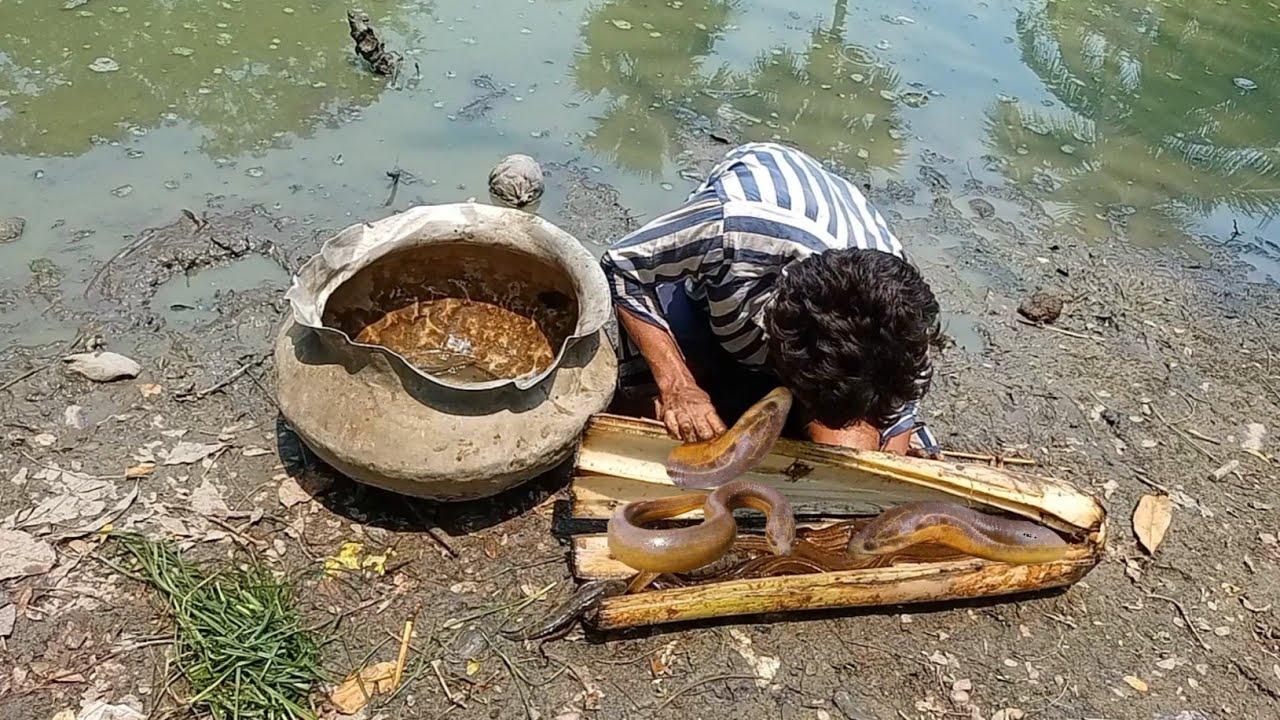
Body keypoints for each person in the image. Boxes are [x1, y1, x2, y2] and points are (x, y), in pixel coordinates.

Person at [599, 141, 943, 458]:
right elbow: (623, 264)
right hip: (708, 300)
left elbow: (899, 409)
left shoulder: (901, 321)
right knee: (648, 426)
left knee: (853, 448)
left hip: (819, 339)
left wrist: (891, 461)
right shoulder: (730, 226)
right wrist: (678, 386)